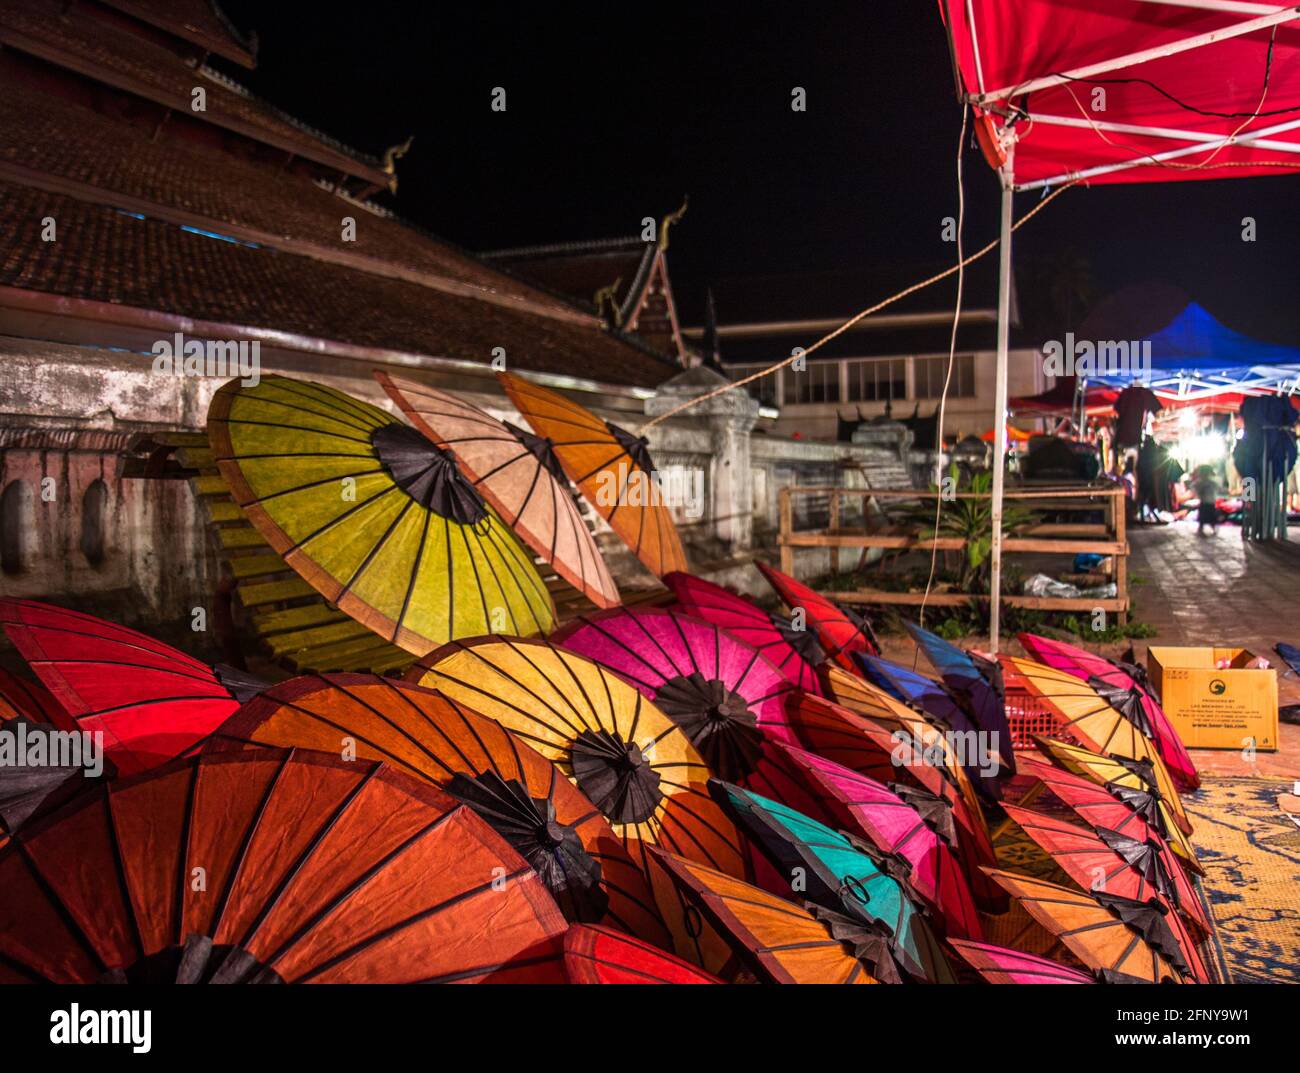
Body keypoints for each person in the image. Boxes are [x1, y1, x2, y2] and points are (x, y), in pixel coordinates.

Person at [1193, 464, 1219, 536]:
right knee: (1206, 517)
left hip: (1208, 502)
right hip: (1207, 502)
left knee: (1207, 517)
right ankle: (1202, 529)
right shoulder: (1207, 482)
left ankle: (1203, 529)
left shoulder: (1205, 482)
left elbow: (1195, 488)